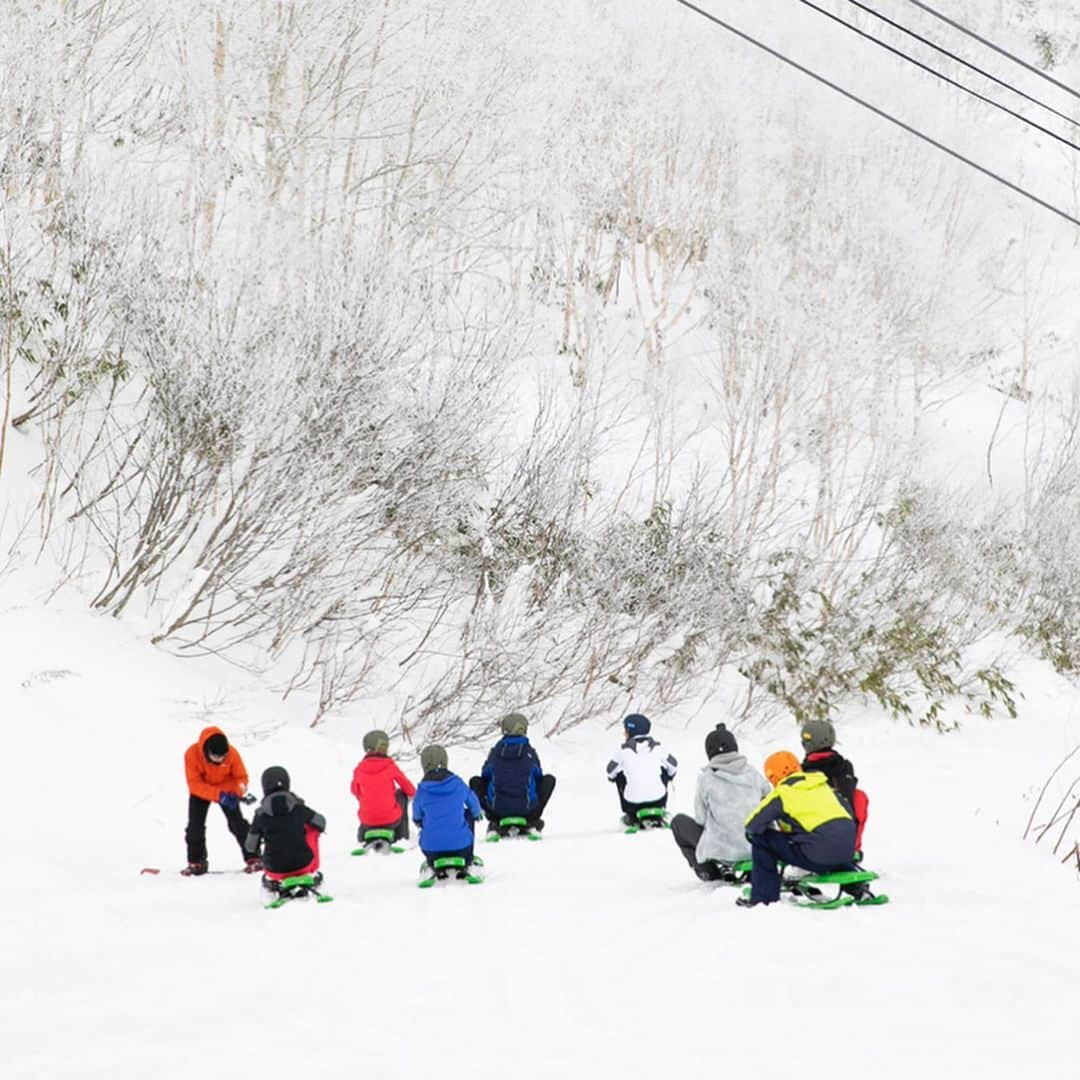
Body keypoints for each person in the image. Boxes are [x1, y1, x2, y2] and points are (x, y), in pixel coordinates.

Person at [737, 750, 857, 907]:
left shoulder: (783, 793)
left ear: (773, 777)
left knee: (761, 839)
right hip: (847, 853)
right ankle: (855, 886)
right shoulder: (822, 785)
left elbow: (753, 825)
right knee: (830, 834)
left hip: (817, 856)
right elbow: (847, 814)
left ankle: (763, 898)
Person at [670, 723, 771, 881]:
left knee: (678, 823)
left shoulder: (706, 778)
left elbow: (701, 818)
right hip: (756, 845)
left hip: (722, 849)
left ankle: (709, 872)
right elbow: (769, 803)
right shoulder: (753, 774)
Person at [183, 726, 260, 876]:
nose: (221, 760)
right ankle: (196, 862)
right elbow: (194, 784)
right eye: (217, 757)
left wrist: (238, 792)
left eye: (223, 756)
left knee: (237, 823)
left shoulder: (232, 753)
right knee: (195, 826)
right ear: (207, 752)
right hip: (201, 790)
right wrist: (219, 795)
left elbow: (241, 778)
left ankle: (254, 857)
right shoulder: (192, 754)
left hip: (227, 790)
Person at [469, 713, 556, 835]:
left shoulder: (496, 752)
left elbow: (485, 775)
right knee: (548, 780)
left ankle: (494, 821)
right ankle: (532, 820)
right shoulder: (529, 752)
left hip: (497, 809)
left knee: (476, 781)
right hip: (527, 809)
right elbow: (538, 775)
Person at [245, 767, 327, 888]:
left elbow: (250, 847)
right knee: (312, 828)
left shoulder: (261, 815)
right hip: (303, 865)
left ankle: (273, 883)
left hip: (275, 869)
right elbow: (321, 822)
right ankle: (311, 871)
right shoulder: (298, 807)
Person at [800, 718, 869, 855]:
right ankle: (853, 846)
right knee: (859, 797)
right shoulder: (844, 767)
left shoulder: (804, 771)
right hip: (847, 837)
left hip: (815, 839)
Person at [412, 745, 483, 868]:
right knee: (467, 814)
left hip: (432, 851)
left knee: (427, 817)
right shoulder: (457, 783)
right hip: (461, 848)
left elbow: (417, 815)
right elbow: (473, 802)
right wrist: (476, 814)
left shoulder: (422, 790)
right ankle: (468, 859)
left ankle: (431, 863)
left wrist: (418, 821)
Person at [606, 713, 678, 826]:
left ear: (629, 731)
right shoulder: (658, 748)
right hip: (659, 799)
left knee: (619, 774)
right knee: (664, 769)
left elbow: (610, 771)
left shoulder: (623, 751)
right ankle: (658, 809)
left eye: (625, 729)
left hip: (632, 804)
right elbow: (673, 765)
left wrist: (613, 777)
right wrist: (670, 775)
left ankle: (630, 816)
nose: (623, 733)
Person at [351, 729, 416, 844]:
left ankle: (362, 837)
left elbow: (355, 791)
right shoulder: (390, 765)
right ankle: (402, 836)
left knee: (366, 802)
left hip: (367, 822)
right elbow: (409, 790)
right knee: (401, 794)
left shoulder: (359, 770)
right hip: (391, 821)